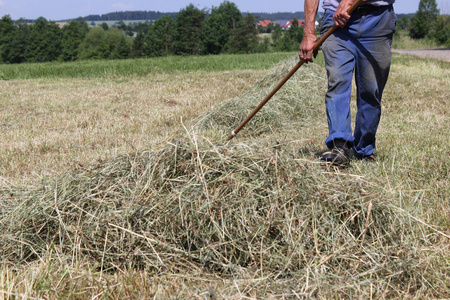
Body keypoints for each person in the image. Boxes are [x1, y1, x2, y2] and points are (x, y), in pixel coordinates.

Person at [299, 0, 396, 165]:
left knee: (371, 90)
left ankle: (364, 149)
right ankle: (339, 145)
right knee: (337, 81)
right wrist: (308, 32)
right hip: (337, 21)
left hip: (377, 20)